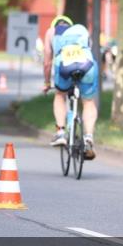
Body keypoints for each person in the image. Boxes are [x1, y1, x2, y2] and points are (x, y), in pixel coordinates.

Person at [42, 15, 99, 160]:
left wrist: (47, 83)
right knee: (88, 102)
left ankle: (60, 132)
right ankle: (88, 137)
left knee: (60, 95)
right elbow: (88, 49)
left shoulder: (51, 32)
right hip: (87, 65)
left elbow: (47, 63)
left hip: (64, 65)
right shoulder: (82, 30)